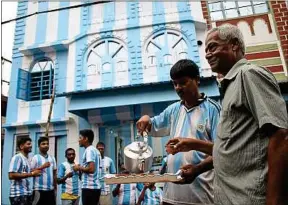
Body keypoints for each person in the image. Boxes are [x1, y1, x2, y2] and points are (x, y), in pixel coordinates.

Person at [167, 25, 288, 205]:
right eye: (206, 49)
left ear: (234, 45)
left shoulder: (249, 75)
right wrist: (198, 169)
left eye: (213, 47)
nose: (207, 54)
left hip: (249, 198)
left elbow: (281, 136)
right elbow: (228, 149)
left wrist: (273, 200)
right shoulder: (231, 85)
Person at [137, 59, 220, 205]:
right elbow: (152, 125)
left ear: (197, 80)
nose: (178, 88)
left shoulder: (213, 110)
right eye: (175, 84)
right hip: (170, 197)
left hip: (201, 198)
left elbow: (222, 151)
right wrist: (145, 119)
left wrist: (196, 169)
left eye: (183, 82)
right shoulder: (173, 110)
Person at [8, 137, 41, 205]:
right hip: (18, 194)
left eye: (30, 144)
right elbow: (11, 175)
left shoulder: (27, 159)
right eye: (28, 144)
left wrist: (35, 173)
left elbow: (26, 173)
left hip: (27, 193)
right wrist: (32, 174)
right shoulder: (17, 157)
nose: (31, 145)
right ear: (21, 146)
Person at [73, 129, 101, 205]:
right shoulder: (95, 150)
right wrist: (82, 167)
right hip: (94, 188)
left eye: (80, 138)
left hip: (89, 188)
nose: (78, 140)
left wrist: (78, 168)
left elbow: (91, 169)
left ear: (86, 139)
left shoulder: (89, 150)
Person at [30, 137, 57, 205]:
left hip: (51, 190)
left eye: (47, 144)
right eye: (43, 144)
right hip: (39, 190)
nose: (46, 145)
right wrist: (42, 167)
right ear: (39, 146)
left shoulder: (52, 158)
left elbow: (54, 174)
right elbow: (30, 171)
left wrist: (55, 189)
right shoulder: (35, 157)